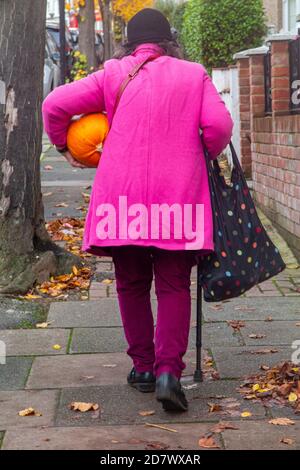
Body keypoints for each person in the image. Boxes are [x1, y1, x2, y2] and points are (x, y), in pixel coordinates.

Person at [42, 8, 233, 412]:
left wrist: (64, 146)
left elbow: (55, 104)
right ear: (169, 41)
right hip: (177, 198)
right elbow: (218, 126)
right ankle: (168, 372)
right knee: (173, 283)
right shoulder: (193, 74)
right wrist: (200, 155)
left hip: (122, 198)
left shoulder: (112, 73)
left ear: (129, 42)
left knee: (130, 282)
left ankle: (143, 368)